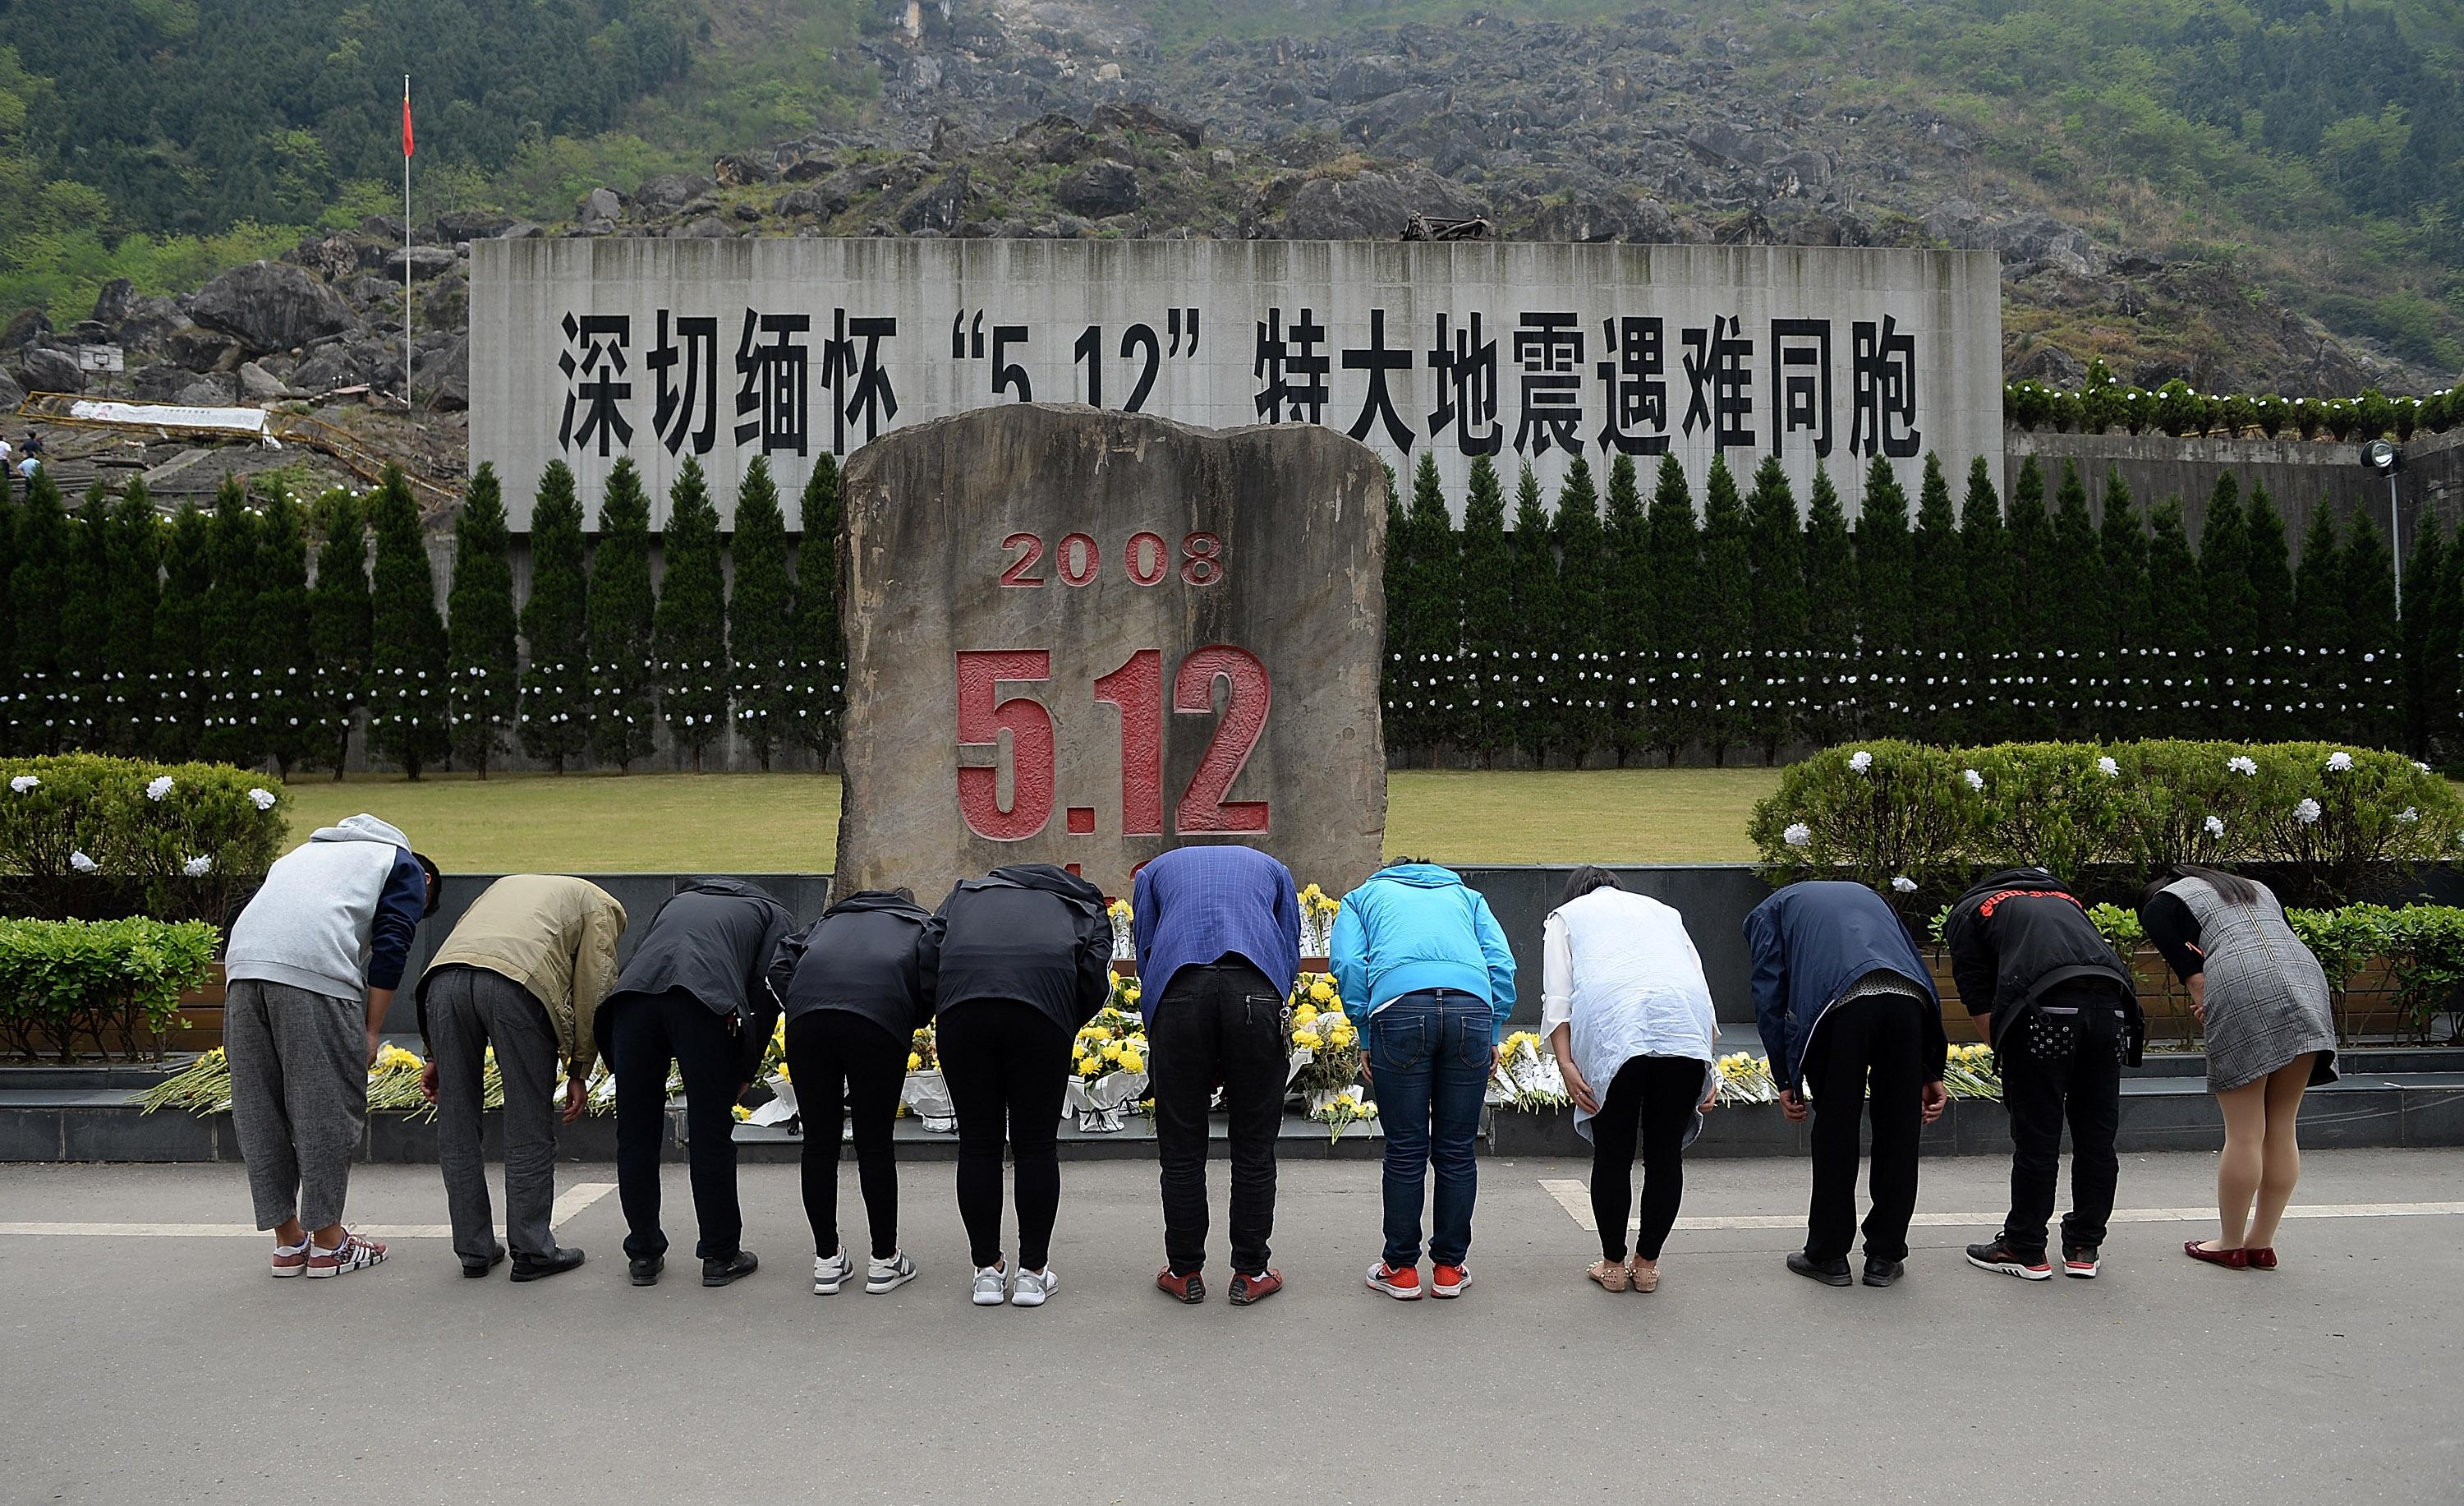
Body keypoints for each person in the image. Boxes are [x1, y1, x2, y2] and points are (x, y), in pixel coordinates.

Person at [221, 814, 438, 1279]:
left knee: (260, 1106)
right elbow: (392, 945)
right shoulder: (399, 863)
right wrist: (372, 1029)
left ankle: (288, 1242)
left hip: (242, 971)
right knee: (326, 1105)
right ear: (426, 879)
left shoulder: (300, 856)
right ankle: (329, 1244)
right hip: (315, 973)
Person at [414, 875, 627, 1282]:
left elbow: (465, 951)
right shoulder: (601, 906)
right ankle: (533, 1251)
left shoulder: (504, 886)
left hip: (442, 983)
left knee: (457, 1124)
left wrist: (435, 1053)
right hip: (516, 986)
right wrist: (579, 1069)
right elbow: (594, 987)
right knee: (527, 1123)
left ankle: (473, 1250)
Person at [1744, 881, 1949, 1288]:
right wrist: (1930, 1070)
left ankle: (1828, 1254)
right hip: (1906, 1001)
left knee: (1837, 1129)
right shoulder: (1871, 897)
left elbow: (1771, 994)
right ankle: (1885, 1257)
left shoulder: (1768, 913)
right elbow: (1915, 964)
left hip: (1839, 1006)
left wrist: (1786, 1078)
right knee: (1899, 1131)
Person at [1943, 866, 2143, 1281]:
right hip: (2113, 1011)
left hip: (2045, 1015)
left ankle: (2025, 1246)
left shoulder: (1969, 911)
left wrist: (2003, 1055)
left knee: (2038, 1135)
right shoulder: (2066, 901)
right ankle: (2084, 1248)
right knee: (2097, 1136)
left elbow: (1978, 994)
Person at [929, 863, 1111, 1309]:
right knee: (1035, 1147)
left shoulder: (964, 895)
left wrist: (945, 1003)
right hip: (1041, 1014)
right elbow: (1094, 974)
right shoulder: (1081, 904)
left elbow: (928, 950)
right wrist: (1064, 1020)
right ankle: (1032, 1273)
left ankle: (986, 1273)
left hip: (963, 1012)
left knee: (977, 1145)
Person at [1332, 858, 1515, 1301]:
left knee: (1405, 1147)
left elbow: (1350, 965)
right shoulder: (1467, 898)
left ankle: (1400, 1269)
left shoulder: (1361, 899)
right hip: (1470, 1010)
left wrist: (1364, 1029)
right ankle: (1450, 1269)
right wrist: (1493, 1028)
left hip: (1397, 1010)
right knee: (1456, 1147)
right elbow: (1502, 963)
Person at [2140, 865, 2338, 1271]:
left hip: (2239, 976)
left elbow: (2156, 915)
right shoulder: (2253, 888)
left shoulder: (2168, 897)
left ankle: (2229, 1243)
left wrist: (2197, 982)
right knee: (2281, 1127)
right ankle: (2261, 1243)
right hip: (2303, 974)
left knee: (2245, 1133)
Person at [597, 877, 791, 1289]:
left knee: (635, 1132)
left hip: (633, 1001)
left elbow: (639, 957)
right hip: (704, 1002)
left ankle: (644, 1254)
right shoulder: (773, 915)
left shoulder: (677, 902)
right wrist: (744, 1070)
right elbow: (765, 993)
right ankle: (720, 1256)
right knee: (709, 1133)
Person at [1132, 845, 1302, 1307]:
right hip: (1255, 992)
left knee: (1182, 1145)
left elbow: (1145, 949)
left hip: (1180, 992)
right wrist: (1272, 1005)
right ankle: (1251, 1272)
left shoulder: (1154, 871)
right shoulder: (1274, 866)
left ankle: (1184, 1270)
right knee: (1254, 1144)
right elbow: (1288, 947)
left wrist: (1162, 1024)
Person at [1543, 868, 1721, 1294]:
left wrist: (1567, 1064)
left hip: (1613, 1029)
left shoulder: (1566, 916)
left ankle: (1612, 1265)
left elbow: (1558, 996)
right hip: (1682, 1027)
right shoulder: (1664, 912)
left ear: (1575, 893)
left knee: (1613, 1154)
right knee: (1665, 1155)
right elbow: (1698, 983)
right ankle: (1646, 1265)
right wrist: (1709, 1065)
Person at [767, 888, 937, 1297]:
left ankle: (826, 1260)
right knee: (874, 1142)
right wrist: (910, 1016)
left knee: (819, 1143)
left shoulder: (827, 923)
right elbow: (933, 977)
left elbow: (779, 964)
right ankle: (884, 1260)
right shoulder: (918, 924)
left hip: (808, 1018)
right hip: (878, 1018)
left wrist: (803, 1002)